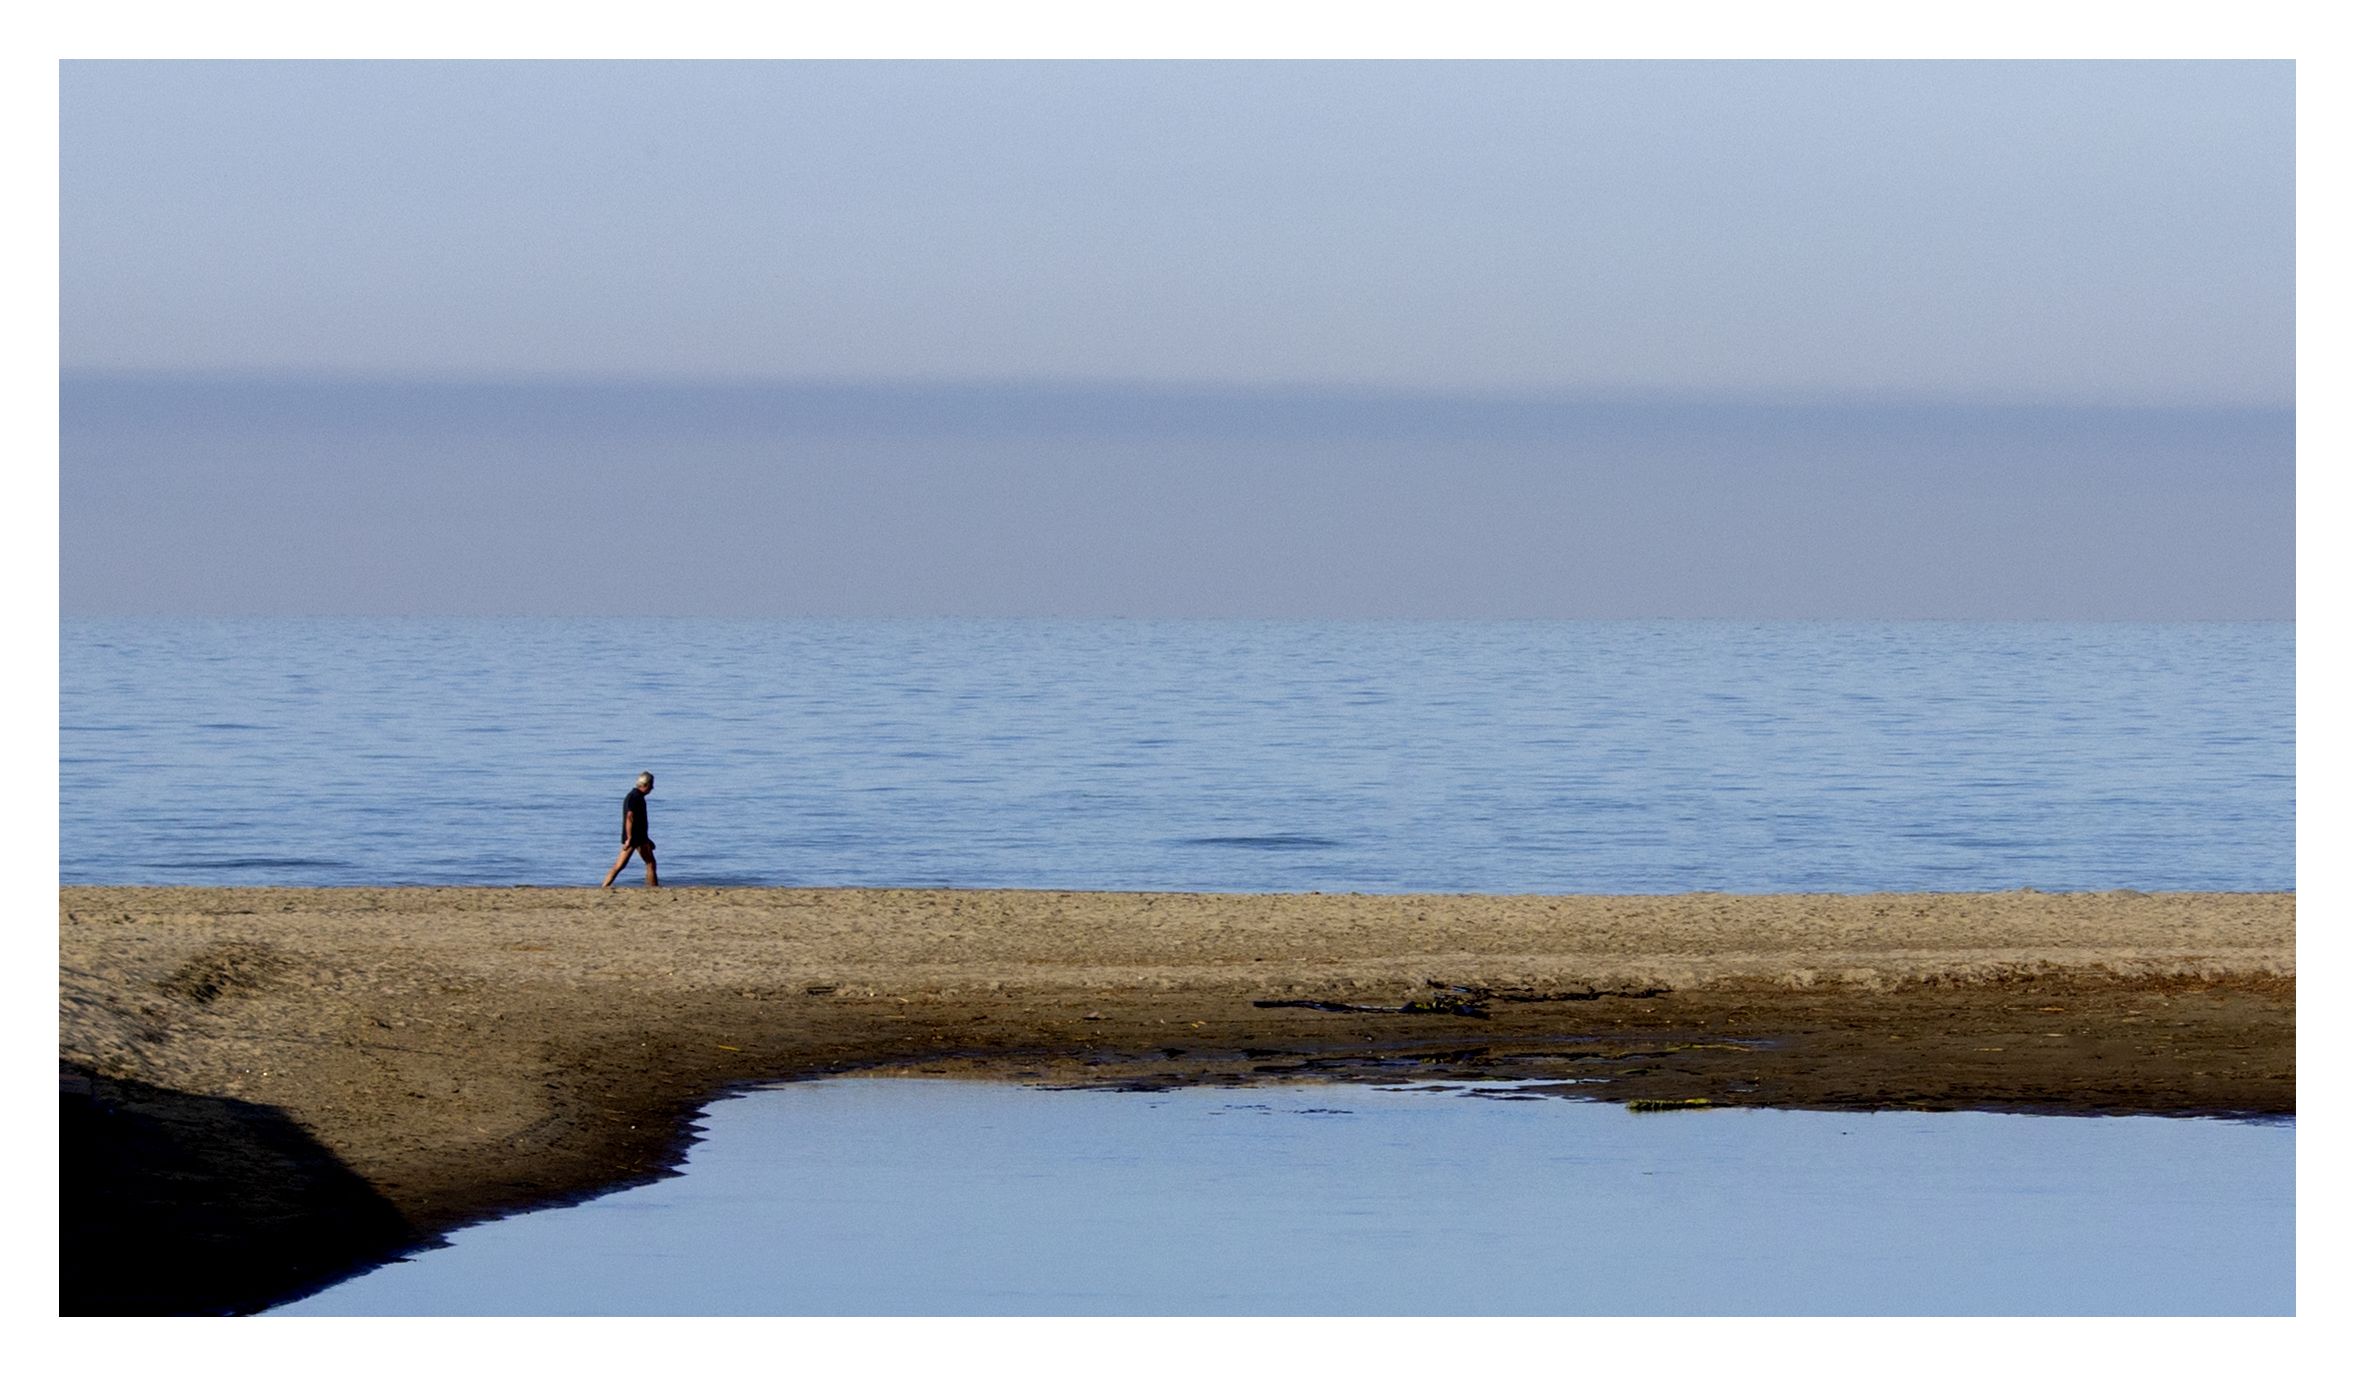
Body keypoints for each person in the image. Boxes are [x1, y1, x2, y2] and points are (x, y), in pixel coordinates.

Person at [601, 772, 659, 887]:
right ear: (645, 784)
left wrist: (647, 838)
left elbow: (638, 821)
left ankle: (605, 886)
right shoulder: (635, 797)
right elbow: (629, 817)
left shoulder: (636, 796)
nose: (652, 787)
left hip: (640, 837)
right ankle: (653, 888)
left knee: (647, 862)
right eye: (651, 784)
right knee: (644, 863)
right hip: (635, 837)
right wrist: (629, 838)